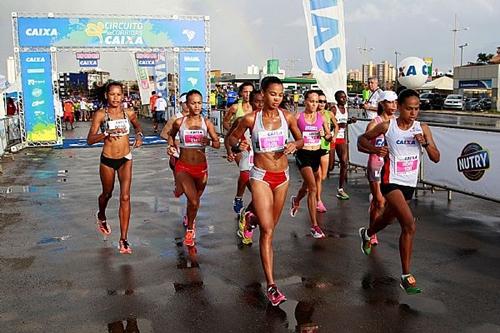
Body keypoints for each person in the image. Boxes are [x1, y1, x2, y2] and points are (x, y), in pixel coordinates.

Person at [228, 76, 303, 306]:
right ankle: (271, 285)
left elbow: (301, 139)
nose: (277, 98)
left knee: (270, 225)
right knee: (268, 230)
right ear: (263, 93)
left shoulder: (287, 116)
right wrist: (236, 144)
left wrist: (294, 145)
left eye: (280, 94)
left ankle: (250, 218)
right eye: (273, 94)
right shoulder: (251, 118)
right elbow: (231, 136)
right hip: (260, 175)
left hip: (282, 178)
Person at [357, 89, 440, 294]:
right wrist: (376, 150)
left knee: (388, 219)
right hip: (390, 180)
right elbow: (361, 140)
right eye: (409, 108)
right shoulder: (388, 126)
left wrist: (426, 143)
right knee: (409, 224)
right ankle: (405, 276)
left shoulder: (423, 128)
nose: (413, 113)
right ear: (400, 108)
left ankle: (367, 233)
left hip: (409, 183)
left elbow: (436, 157)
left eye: (417, 108)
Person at [86, 81, 144, 254]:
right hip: (108, 160)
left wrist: (139, 135)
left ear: (123, 96)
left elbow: (137, 125)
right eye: (112, 94)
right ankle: (101, 215)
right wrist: (105, 134)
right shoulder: (101, 115)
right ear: (106, 95)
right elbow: (89, 140)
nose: (116, 98)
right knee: (107, 193)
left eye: (119, 94)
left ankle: (124, 239)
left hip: (126, 158)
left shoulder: (129, 113)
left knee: (125, 197)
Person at [167, 89, 220, 248]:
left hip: (201, 168)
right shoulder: (179, 122)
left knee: (193, 203)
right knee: (194, 200)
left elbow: (217, 144)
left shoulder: (207, 123)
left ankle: (189, 218)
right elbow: (171, 135)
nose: (196, 106)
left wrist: (209, 142)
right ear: (187, 105)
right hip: (183, 167)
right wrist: (171, 147)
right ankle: (190, 229)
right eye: (193, 103)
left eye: (199, 103)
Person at [289, 90, 333, 238]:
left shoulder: (321, 117)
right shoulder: (298, 117)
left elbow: (328, 136)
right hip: (303, 154)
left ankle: (296, 200)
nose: (314, 104)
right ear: (305, 101)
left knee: (306, 187)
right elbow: (289, 131)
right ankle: (314, 226)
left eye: (317, 102)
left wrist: (326, 136)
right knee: (313, 188)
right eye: (311, 101)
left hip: (316, 154)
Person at [225, 89, 264, 245]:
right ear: (251, 103)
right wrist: (232, 149)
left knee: (260, 197)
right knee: (249, 181)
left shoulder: (275, 119)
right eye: (257, 102)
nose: (260, 105)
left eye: (263, 101)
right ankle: (241, 205)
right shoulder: (243, 119)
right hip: (247, 156)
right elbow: (229, 137)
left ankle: (246, 215)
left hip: (265, 162)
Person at [365, 91, 398, 246]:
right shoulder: (374, 123)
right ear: (382, 104)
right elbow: (362, 144)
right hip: (376, 164)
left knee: (384, 203)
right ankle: (371, 232)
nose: (393, 105)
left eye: (395, 102)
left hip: (391, 167)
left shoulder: (398, 123)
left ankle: (373, 215)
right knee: (379, 201)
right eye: (390, 102)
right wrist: (375, 150)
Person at [222, 82, 254, 214]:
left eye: (250, 92)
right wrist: (236, 133)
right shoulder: (235, 108)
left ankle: (248, 198)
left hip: (252, 144)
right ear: (241, 93)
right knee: (245, 170)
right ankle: (239, 198)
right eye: (245, 92)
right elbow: (225, 122)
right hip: (238, 145)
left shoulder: (257, 107)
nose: (248, 95)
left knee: (250, 173)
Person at [330, 90, 357, 200]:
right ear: (337, 99)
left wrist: (350, 121)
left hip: (341, 138)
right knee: (330, 167)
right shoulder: (333, 109)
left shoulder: (346, 110)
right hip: (332, 138)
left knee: (344, 162)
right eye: (342, 97)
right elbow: (326, 123)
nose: (344, 99)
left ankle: (340, 189)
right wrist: (337, 125)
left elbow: (344, 123)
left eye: (345, 97)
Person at [316, 90, 338, 212]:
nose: (322, 104)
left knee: (323, 176)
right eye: (320, 101)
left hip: (325, 146)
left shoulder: (328, 114)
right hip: (314, 147)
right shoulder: (312, 115)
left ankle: (309, 191)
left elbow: (336, 126)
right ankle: (318, 200)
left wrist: (333, 136)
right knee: (318, 176)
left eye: (324, 101)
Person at [161, 93, 189, 173]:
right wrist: (174, 141)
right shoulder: (175, 118)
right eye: (185, 103)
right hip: (178, 155)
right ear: (181, 104)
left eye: (190, 102)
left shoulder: (197, 117)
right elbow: (164, 134)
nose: (188, 105)